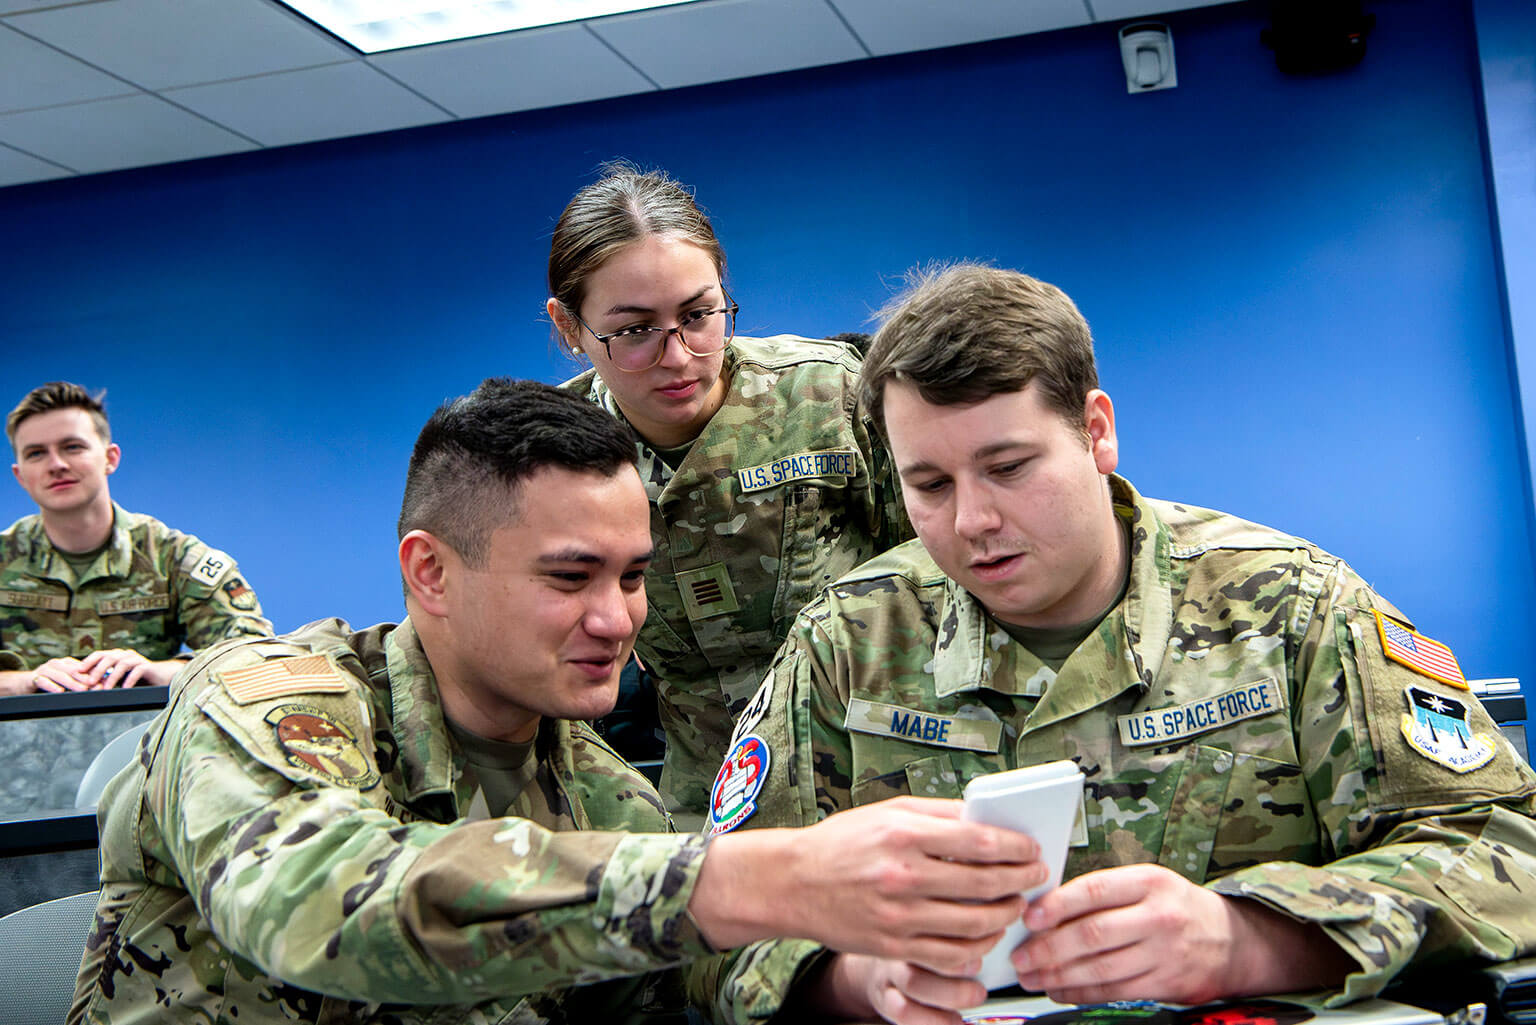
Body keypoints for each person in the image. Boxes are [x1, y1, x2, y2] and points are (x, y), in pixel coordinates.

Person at [70, 378, 1048, 1025]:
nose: (619, 617)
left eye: (633, 575)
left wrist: (852, 983)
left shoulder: (600, 793)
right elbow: (319, 898)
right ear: (432, 573)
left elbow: (676, 989)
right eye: (572, 575)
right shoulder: (267, 699)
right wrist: (764, 872)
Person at [702, 266, 1536, 1025]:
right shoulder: (848, 640)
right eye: (930, 484)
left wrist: (1248, 937)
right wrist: (854, 978)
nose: (972, 521)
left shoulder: (1294, 608)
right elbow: (708, 923)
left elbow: (1509, 851)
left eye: (1009, 466)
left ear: (1096, 432)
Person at [548, 165, 912, 817]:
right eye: (634, 330)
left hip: (882, 769)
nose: (680, 355)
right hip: (710, 799)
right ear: (570, 327)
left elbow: (936, 575)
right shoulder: (549, 458)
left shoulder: (831, 397)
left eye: (699, 315)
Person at [1, 381, 270, 695]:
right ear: (20, 476)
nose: (57, 464)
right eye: (36, 454)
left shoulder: (173, 559)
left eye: (73, 447)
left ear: (110, 458)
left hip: (145, 741)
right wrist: (26, 681)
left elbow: (257, 655)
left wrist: (164, 671)